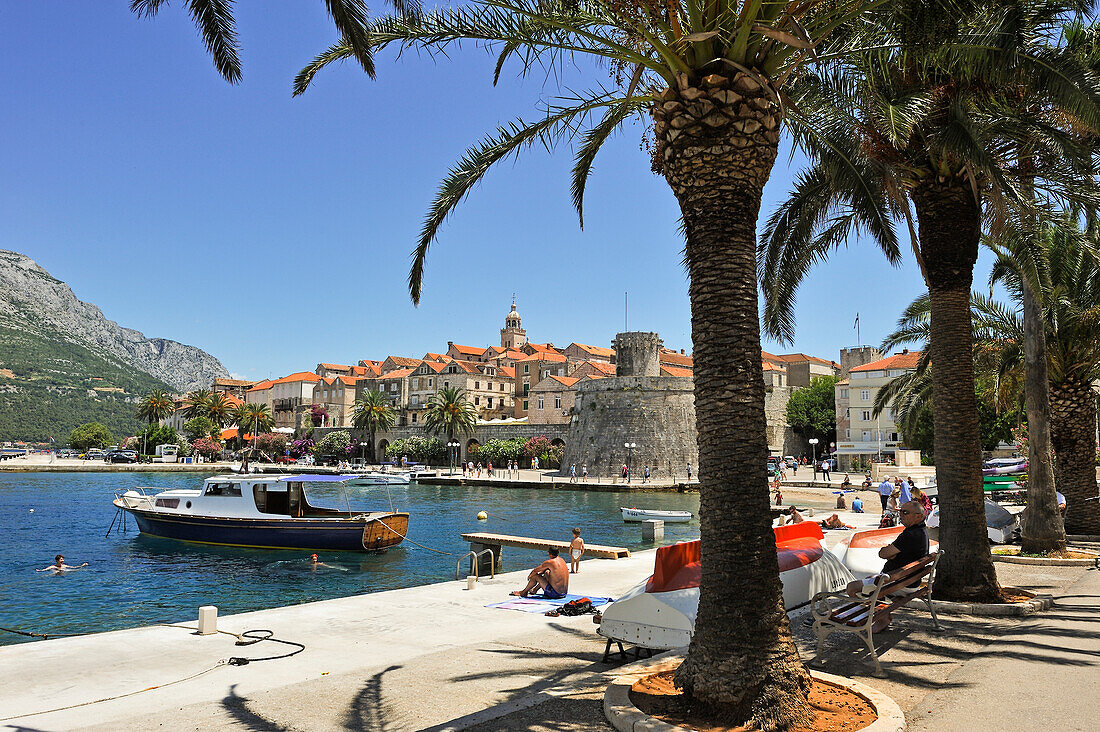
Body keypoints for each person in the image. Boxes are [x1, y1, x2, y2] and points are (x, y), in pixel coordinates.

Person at [846, 501, 930, 629]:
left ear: (918, 516)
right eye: (900, 511)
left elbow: (883, 554)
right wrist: (892, 553)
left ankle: (882, 618)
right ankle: (881, 614)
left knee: (852, 587)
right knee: (870, 579)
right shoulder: (920, 531)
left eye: (905, 512)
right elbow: (888, 553)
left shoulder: (910, 535)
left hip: (898, 584)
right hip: (909, 582)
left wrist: (891, 553)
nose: (901, 514)